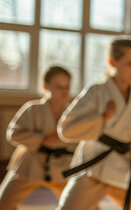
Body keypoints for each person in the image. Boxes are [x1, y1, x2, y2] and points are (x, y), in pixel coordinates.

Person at [56, 36, 131, 210]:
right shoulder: (97, 91)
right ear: (112, 62)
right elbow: (66, 129)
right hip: (94, 165)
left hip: (125, 166)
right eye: (129, 63)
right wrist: (101, 117)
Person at [0, 66, 76, 210]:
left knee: (79, 204)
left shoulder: (72, 112)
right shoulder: (33, 108)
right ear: (45, 86)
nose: (64, 91)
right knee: (4, 203)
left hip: (62, 166)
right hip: (30, 163)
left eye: (67, 86)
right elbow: (13, 133)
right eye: (59, 86)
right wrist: (42, 139)